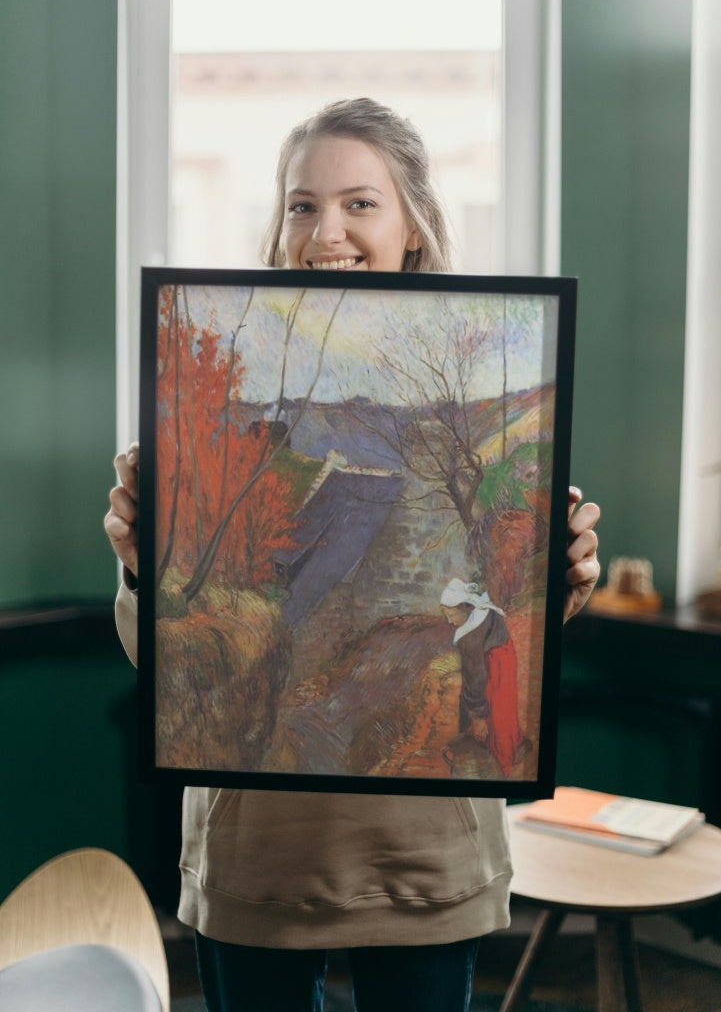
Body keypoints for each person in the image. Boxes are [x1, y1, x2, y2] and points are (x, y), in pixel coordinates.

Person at [105, 98, 601, 1012]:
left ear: (412, 224)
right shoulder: (212, 388)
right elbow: (171, 666)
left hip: (424, 858)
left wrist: (555, 578)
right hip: (256, 859)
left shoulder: (490, 360)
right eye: (301, 204)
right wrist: (146, 568)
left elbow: (513, 647)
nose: (324, 229)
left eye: (358, 203)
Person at [439, 579, 529, 779]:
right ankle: (512, 745)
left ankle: (502, 767)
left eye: (452, 615)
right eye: (446, 616)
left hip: (497, 663)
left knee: (499, 713)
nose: (449, 621)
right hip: (504, 653)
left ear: (465, 608)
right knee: (504, 707)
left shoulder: (469, 639)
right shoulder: (482, 613)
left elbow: (475, 679)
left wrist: (478, 716)